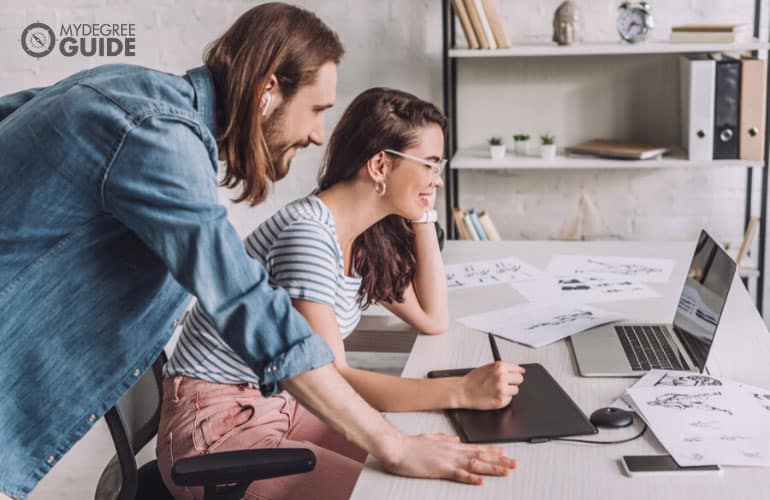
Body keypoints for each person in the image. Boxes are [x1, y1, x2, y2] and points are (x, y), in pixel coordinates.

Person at [0, 4, 515, 499]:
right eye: (315, 110)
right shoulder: (157, 135)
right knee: (398, 473)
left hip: (259, 408)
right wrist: (394, 447)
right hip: (207, 423)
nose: (318, 134)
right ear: (268, 90)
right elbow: (247, 304)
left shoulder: (132, 96)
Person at [158, 87, 526, 500]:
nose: (437, 178)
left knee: (436, 467)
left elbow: (432, 317)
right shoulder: (309, 236)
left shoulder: (360, 234)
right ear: (380, 165)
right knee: (398, 488)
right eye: (428, 165)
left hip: (286, 407)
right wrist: (460, 390)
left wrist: (424, 209)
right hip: (221, 430)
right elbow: (335, 375)